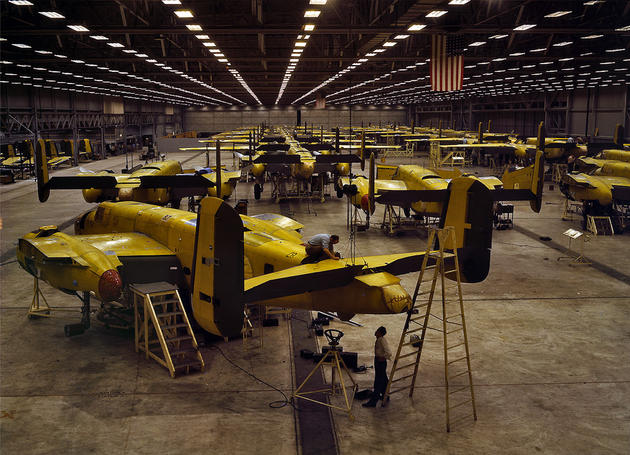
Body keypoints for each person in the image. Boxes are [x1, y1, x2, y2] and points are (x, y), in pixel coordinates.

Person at [363, 326, 392, 408]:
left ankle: (373, 401)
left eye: (377, 331)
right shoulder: (379, 339)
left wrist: (383, 357)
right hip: (378, 361)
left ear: (380, 333)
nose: (375, 331)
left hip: (380, 362)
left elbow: (389, 352)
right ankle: (385, 396)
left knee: (378, 382)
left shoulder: (382, 340)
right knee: (384, 379)